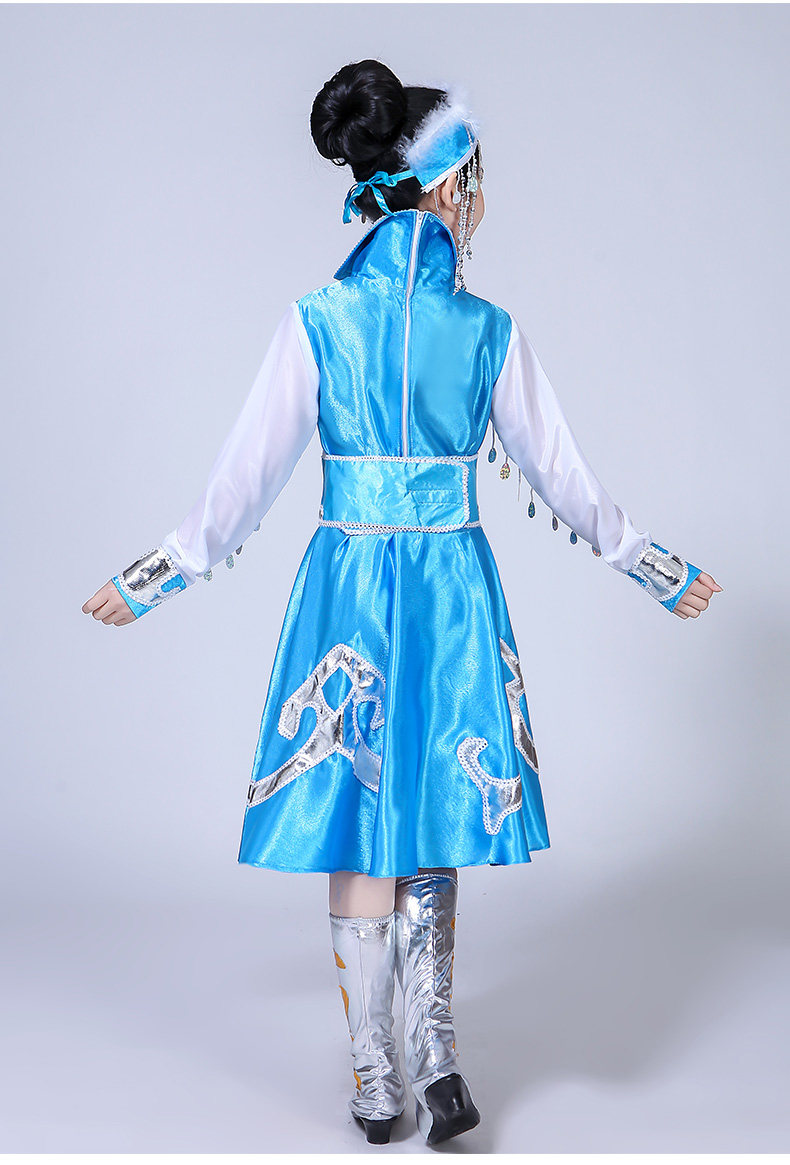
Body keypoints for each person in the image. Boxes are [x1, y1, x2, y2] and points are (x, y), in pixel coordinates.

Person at [82, 59, 721, 1147]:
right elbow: (561, 472)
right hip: (449, 584)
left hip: (347, 582)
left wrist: (159, 572)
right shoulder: (487, 329)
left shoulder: (321, 319)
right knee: (434, 804)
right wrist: (649, 563)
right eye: (479, 181)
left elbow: (247, 476)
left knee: (356, 806)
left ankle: (378, 1075)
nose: (482, 201)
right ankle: (437, 1054)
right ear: (451, 183)